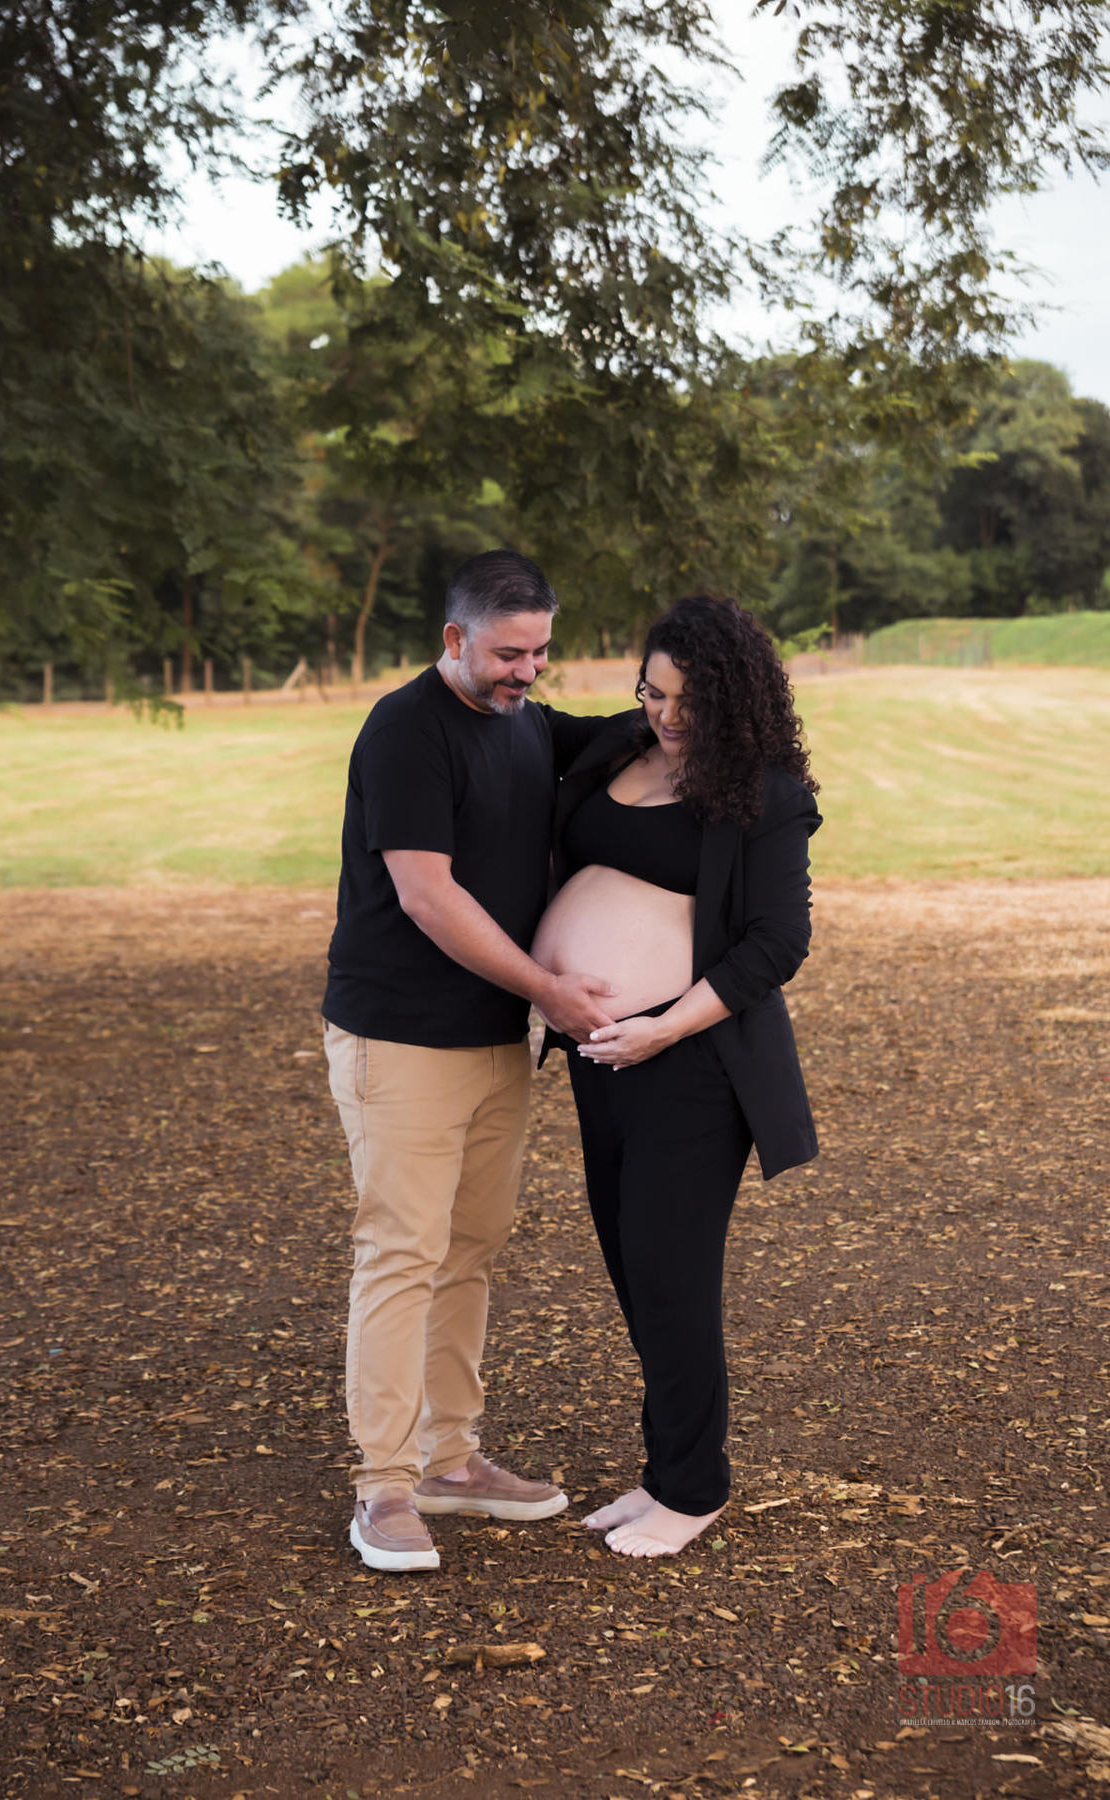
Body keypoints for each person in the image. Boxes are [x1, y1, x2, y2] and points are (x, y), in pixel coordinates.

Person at [322, 549, 618, 1573]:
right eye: (507, 653)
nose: (526, 671)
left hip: (496, 1039)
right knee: (402, 1252)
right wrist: (551, 991)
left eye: (541, 652)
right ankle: (384, 1487)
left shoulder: (525, 721)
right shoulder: (406, 730)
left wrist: (704, 706)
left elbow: (628, 735)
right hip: (401, 1037)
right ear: (453, 638)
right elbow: (428, 896)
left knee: (471, 1250)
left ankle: (450, 1460)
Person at [531, 594, 822, 1558]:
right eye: (653, 693)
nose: (666, 715)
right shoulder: (617, 746)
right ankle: (666, 1472)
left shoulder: (765, 795)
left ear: (735, 700)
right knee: (633, 1266)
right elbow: (507, 723)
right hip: (601, 1061)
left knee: (670, 1275)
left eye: (690, 702)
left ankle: (695, 1491)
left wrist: (662, 1029)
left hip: (693, 1067)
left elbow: (778, 942)